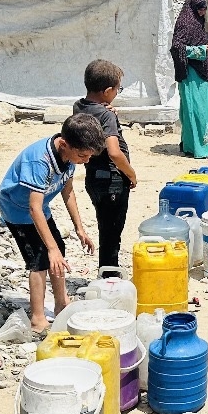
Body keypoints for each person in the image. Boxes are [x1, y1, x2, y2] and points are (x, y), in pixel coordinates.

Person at [0, 115, 103, 333]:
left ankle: (61, 302)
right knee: (40, 259)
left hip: (40, 206)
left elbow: (68, 191)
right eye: (83, 155)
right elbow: (32, 208)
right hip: (18, 208)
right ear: (64, 144)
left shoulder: (70, 157)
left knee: (59, 251)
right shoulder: (40, 161)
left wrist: (79, 229)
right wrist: (51, 249)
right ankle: (37, 318)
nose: (86, 160)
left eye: (89, 156)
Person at [73, 60, 138, 272]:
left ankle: (107, 274)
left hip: (93, 178)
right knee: (112, 235)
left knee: (105, 229)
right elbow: (114, 152)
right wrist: (131, 174)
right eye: (117, 89)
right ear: (107, 91)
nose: (117, 93)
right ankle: (109, 278)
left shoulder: (79, 106)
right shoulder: (106, 114)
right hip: (113, 181)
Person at [170, 0, 208, 159]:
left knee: (205, 109)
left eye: (205, 9)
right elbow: (177, 48)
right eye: (200, 9)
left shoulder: (198, 22)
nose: (203, 12)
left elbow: (194, 41)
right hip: (191, 73)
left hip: (202, 72)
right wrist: (200, 50)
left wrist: (206, 44)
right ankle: (195, 147)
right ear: (193, 8)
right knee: (195, 110)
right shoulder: (184, 23)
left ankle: (204, 144)